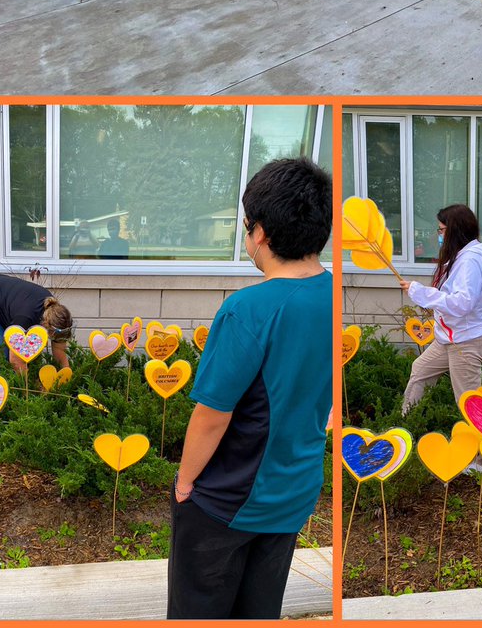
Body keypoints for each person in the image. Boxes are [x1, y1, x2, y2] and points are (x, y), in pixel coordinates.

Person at [167, 157, 333, 620]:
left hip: (228, 500)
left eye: (245, 226)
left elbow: (212, 414)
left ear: (260, 232)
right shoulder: (332, 293)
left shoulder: (248, 309)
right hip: (295, 490)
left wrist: (184, 484)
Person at [398, 204, 482, 413]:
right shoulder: (463, 257)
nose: (439, 235)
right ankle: (408, 423)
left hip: (466, 340)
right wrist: (421, 295)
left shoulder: (470, 260)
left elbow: (462, 303)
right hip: (451, 338)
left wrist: (421, 293)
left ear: (455, 230)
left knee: (468, 402)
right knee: (420, 370)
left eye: (441, 230)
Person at [0, 272, 72, 371]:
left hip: (4, 298)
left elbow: (60, 352)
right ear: (46, 326)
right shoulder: (25, 318)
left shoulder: (55, 312)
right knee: (0, 356)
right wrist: (30, 387)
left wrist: (66, 378)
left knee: (27, 356)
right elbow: (15, 360)